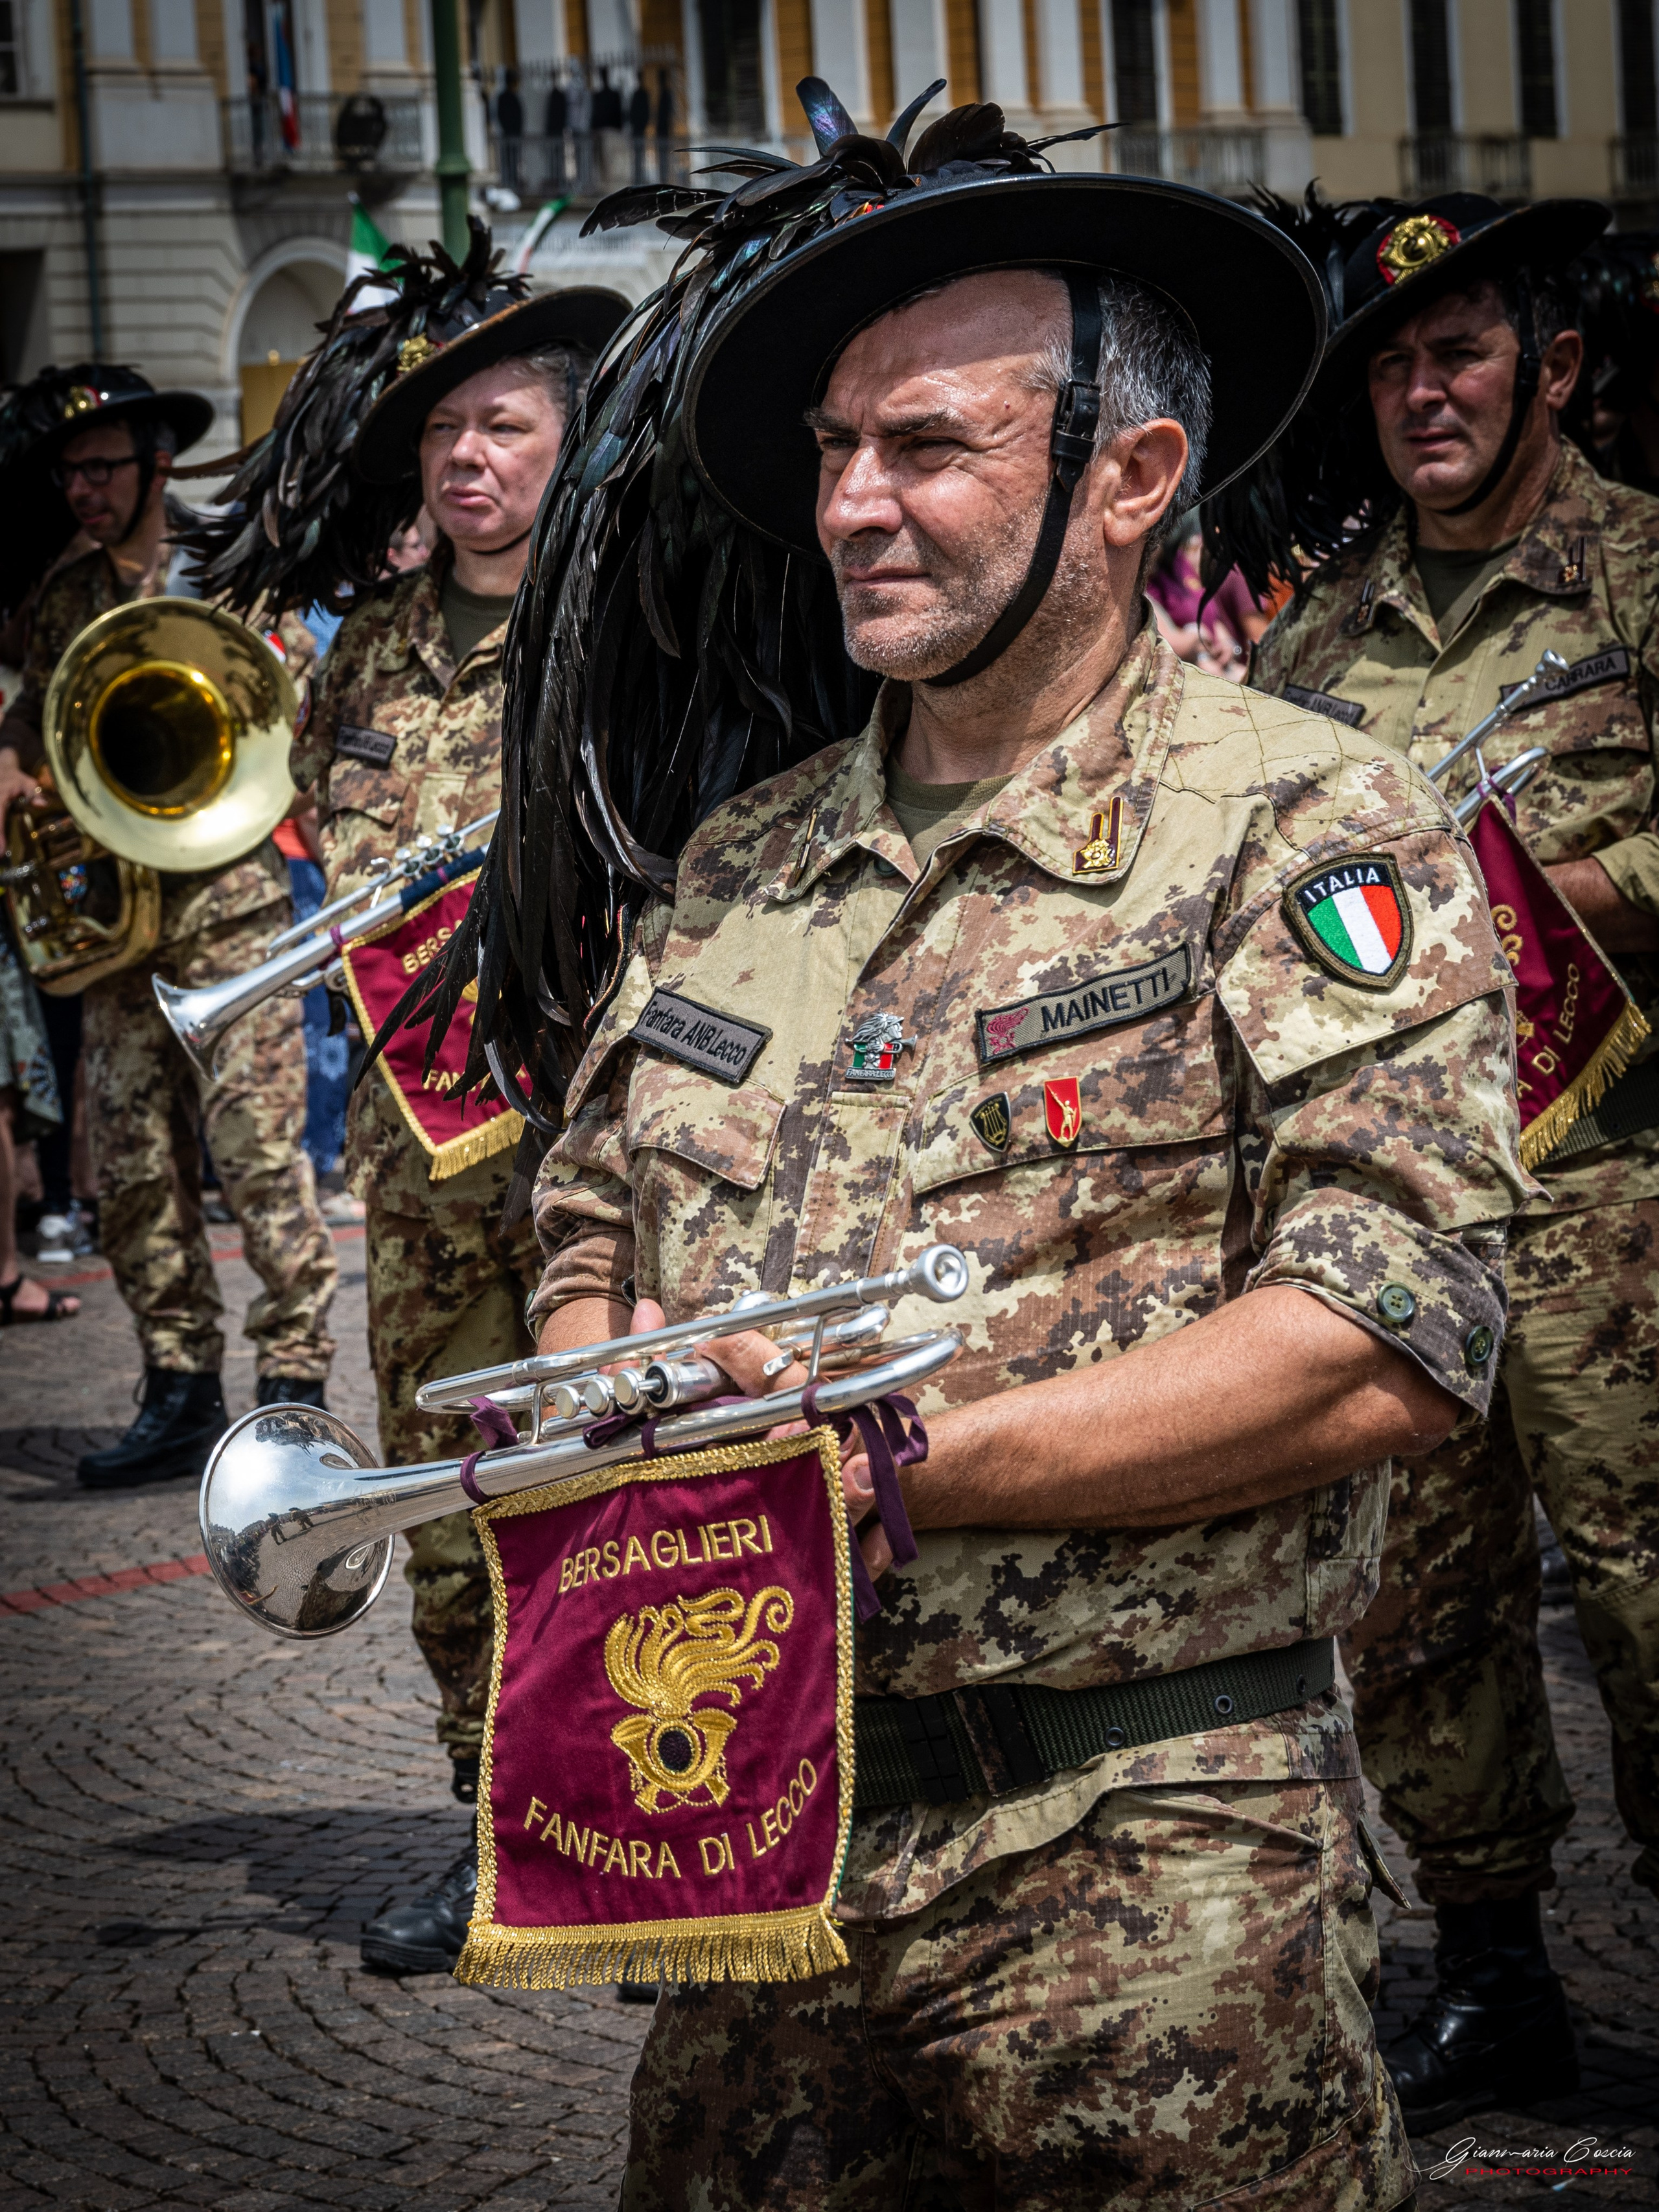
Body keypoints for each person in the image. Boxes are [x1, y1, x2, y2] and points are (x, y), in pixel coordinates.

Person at [481, 88, 1531, 2204]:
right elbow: (592, 1194)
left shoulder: (1307, 824)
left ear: (1132, 475)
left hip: (1148, 1869)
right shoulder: (750, 859)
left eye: (928, 445)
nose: (854, 503)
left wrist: (894, 1454)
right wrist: (608, 1352)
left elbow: (1389, 1328)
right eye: (835, 449)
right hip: (754, 1857)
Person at [1249, 191, 1659, 2126]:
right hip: (1411, 1198)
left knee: (1655, 1592)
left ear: (1552, 371)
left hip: (1622, 1196)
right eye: (1396, 363)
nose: (1424, 391)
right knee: (1421, 1602)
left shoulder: (1644, 572)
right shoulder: (1315, 631)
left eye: (1463, 352)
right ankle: (1494, 1969)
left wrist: (1560, 892)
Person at [187, 226, 629, 1972]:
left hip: (607, 1145)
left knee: (621, 1488)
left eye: (506, 424)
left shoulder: (620, 622)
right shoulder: (358, 652)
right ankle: (490, 1835)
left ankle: (655, 1834)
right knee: (454, 1501)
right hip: (426, 1157)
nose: (470, 457)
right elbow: (208, 742)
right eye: (444, 431)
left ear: (566, 434)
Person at [0, 366, 337, 1480]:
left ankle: (293, 1387)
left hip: (230, 903)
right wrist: (17, 768)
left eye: (100, 468)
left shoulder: (232, 565)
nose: (81, 489)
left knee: (257, 1153)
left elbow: (287, 704)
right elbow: (38, 718)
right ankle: (180, 1388)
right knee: (138, 1165)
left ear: (155, 463)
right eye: (68, 471)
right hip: (116, 921)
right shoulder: (62, 593)